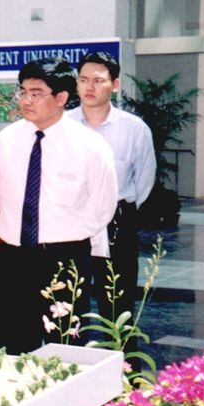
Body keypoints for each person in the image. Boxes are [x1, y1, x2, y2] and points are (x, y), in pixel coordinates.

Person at [0, 58, 118, 355]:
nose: (26, 100)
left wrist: (65, 237)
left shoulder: (90, 146)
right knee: (10, 349)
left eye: (36, 93)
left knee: (67, 350)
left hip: (64, 259)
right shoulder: (5, 141)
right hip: (14, 258)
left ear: (61, 98)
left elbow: (102, 207)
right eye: (22, 92)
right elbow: (2, 198)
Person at [67, 52, 156, 334]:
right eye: (83, 80)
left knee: (117, 302)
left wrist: (119, 209)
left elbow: (144, 179)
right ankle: (72, 367)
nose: (89, 87)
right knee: (70, 300)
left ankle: (123, 371)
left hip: (118, 220)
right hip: (71, 220)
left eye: (98, 80)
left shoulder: (133, 129)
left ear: (114, 84)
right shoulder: (63, 126)